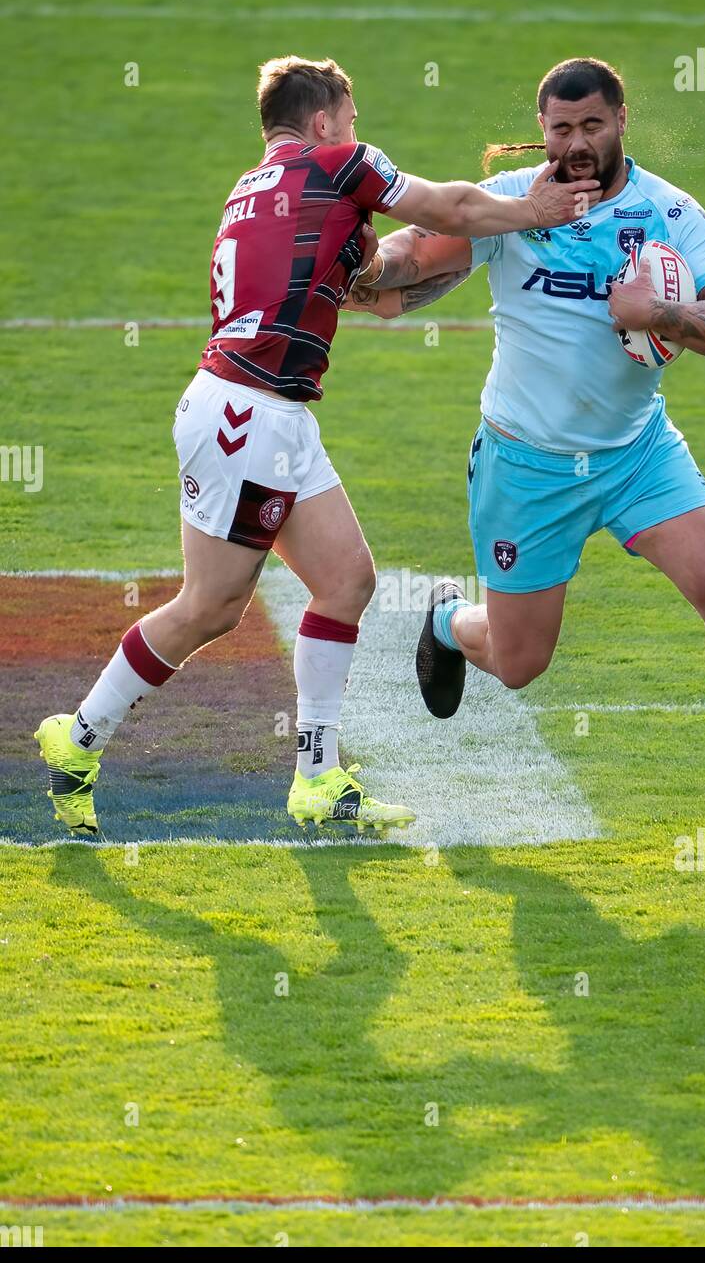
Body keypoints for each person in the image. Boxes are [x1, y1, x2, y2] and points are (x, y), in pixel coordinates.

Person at [35, 54, 594, 837]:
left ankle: (318, 779)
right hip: (248, 416)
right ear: (325, 121)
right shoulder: (341, 164)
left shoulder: (253, 190)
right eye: (353, 119)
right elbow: (451, 206)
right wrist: (532, 212)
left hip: (270, 414)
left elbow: (377, 293)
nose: (360, 133)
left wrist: (453, 260)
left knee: (346, 581)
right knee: (211, 608)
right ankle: (79, 738)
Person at [345, 56, 705, 823]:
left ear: (622, 120)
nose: (577, 142)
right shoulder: (506, 206)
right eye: (562, 129)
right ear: (543, 129)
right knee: (520, 664)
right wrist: (359, 265)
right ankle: (447, 622)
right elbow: (404, 265)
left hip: (637, 455)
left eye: (593, 125)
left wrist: (657, 315)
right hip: (526, 466)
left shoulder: (671, 213)